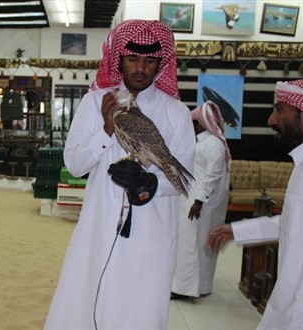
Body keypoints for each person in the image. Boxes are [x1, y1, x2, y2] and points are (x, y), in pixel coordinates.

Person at [44, 20, 195, 329]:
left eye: (150, 60)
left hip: (149, 238)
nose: (141, 68)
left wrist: (149, 183)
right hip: (96, 232)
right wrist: (106, 129)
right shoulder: (93, 103)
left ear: (160, 62)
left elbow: (185, 177)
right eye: (132, 59)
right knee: (82, 309)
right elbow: (74, 164)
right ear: (119, 59)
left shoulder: (175, 113)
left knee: (138, 314)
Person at [208, 79, 303, 329]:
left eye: (279, 109)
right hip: (292, 303)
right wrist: (236, 230)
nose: (271, 120)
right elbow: (293, 223)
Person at [172, 101, 231, 299]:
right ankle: (193, 286)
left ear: (200, 123)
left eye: (193, 122)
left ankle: (185, 288)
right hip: (194, 200)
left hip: (198, 204)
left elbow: (212, 175)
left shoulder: (213, 144)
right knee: (192, 244)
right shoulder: (202, 142)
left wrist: (198, 201)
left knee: (192, 245)